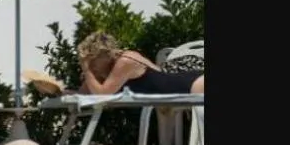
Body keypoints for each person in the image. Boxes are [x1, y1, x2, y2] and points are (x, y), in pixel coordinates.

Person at [76, 32, 204, 95]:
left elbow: (102, 95)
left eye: (92, 61)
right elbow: (84, 95)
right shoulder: (111, 66)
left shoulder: (125, 62)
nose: (91, 65)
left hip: (192, 84)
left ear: (105, 55)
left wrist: (86, 69)